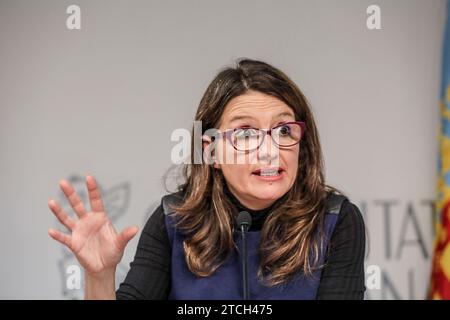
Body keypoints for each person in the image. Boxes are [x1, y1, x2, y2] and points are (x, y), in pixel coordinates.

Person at [48, 58, 366, 300]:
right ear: (211, 151)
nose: (270, 152)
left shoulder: (335, 221)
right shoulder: (173, 221)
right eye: (245, 134)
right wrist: (100, 276)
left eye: (284, 130)